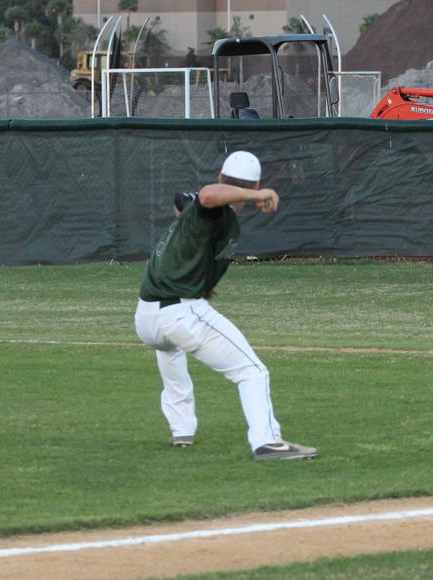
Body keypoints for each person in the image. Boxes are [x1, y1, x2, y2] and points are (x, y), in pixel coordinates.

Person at [134, 151, 317, 461]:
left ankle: (182, 430)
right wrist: (260, 194)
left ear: (221, 175)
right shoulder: (214, 210)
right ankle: (267, 441)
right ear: (255, 184)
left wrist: (200, 273)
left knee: (170, 351)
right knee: (252, 371)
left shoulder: (203, 213)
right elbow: (206, 195)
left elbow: (183, 199)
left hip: (146, 316)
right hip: (180, 313)